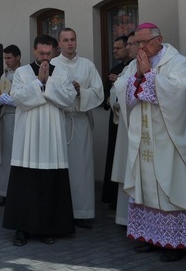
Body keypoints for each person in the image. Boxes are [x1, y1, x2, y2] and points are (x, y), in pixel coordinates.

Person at [118, 23, 186, 262]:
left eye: (145, 42)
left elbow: (180, 92)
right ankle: (151, 236)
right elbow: (121, 88)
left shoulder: (178, 61)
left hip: (173, 140)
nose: (141, 47)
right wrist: (139, 75)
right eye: (137, 43)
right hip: (145, 138)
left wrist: (149, 75)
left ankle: (179, 242)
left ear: (159, 39)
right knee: (148, 186)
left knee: (174, 185)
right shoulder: (135, 63)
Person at [3, 35, 76, 246]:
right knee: (25, 182)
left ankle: (48, 228)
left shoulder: (62, 72)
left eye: (48, 53)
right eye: (41, 53)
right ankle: (22, 229)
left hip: (52, 134)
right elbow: (17, 98)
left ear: (54, 52)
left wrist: (48, 83)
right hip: (28, 134)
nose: (45, 57)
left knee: (50, 181)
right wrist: (38, 83)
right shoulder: (22, 72)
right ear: (34, 51)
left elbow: (69, 99)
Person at [51, 28, 104, 228]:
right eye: (65, 40)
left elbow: (99, 93)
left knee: (82, 168)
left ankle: (82, 212)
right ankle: (61, 211)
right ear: (59, 44)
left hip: (80, 121)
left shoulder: (87, 65)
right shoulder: (53, 65)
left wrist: (81, 90)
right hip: (59, 121)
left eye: (73, 39)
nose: (70, 43)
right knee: (61, 168)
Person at [108, 31, 137, 226]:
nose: (128, 48)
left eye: (132, 44)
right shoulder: (131, 66)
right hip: (130, 127)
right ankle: (129, 220)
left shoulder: (171, 61)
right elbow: (115, 90)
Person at [101, 35, 132, 208]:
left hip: (129, 121)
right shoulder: (115, 69)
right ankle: (112, 197)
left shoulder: (135, 67)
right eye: (113, 48)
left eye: (118, 48)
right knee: (114, 155)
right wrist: (108, 99)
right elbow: (106, 94)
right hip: (115, 119)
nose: (115, 51)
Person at [0, 44, 21, 206]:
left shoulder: (24, 74)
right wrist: (0, 100)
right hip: (5, 117)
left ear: (18, 57)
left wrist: (13, 100)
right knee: (5, 156)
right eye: (5, 58)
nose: (7, 61)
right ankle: (4, 191)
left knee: (14, 155)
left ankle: (15, 191)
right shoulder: (4, 76)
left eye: (9, 58)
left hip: (17, 117)